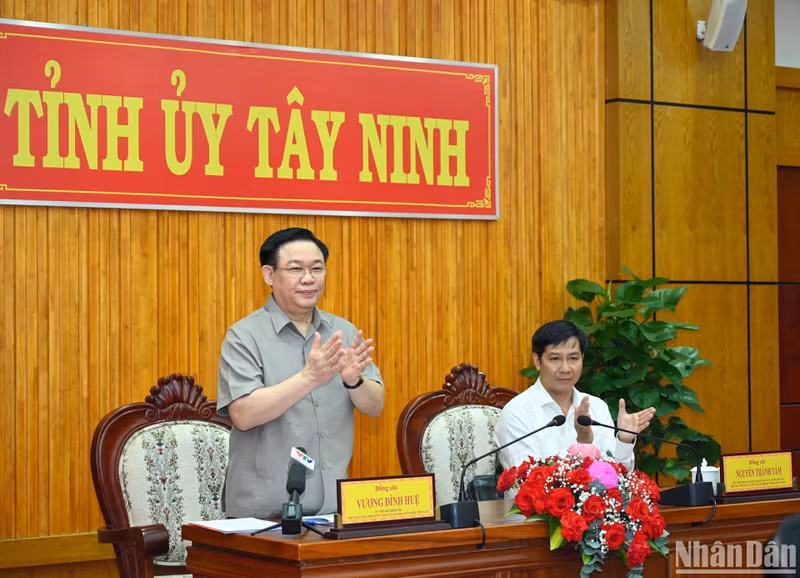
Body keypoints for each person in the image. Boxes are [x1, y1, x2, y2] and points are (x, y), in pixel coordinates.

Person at [217, 228, 384, 518]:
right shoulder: (244, 336)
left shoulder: (341, 331)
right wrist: (308, 379)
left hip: (335, 508)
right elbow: (243, 415)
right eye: (296, 269)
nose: (309, 279)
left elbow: (375, 405)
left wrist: (353, 381)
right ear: (269, 275)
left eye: (316, 269)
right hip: (264, 513)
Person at [494, 320, 655, 472]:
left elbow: (615, 478)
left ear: (582, 359)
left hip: (596, 502)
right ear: (537, 360)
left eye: (573, 358)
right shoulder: (517, 412)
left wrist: (623, 441)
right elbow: (528, 479)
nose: (565, 368)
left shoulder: (597, 407)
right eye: (555, 359)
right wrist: (583, 444)